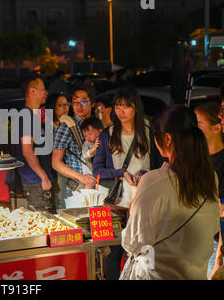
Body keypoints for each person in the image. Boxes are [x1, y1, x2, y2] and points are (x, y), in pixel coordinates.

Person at [122, 105, 220, 279]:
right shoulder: (210, 177)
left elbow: (134, 242)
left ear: (167, 139)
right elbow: (212, 227)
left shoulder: (155, 180)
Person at [92, 87, 163, 280]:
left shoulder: (149, 133)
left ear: (136, 108)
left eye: (126, 106)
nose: (120, 111)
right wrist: (121, 172)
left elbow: (160, 168)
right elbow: (97, 170)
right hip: (113, 202)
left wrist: (145, 175)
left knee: (142, 253)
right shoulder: (107, 134)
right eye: (117, 106)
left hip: (142, 203)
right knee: (112, 253)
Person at [14, 76, 56, 212]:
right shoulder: (26, 116)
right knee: (43, 224)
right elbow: (27, 151)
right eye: (43, 89)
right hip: (35, 182)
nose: (46, 92)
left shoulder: (34, 116)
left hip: (38, 180)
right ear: (32, 91)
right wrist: (43, 177)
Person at [194, 101, 224, 279]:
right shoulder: (195, 157)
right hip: (196, 235)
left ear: (217, 128)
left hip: (215, 239)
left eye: (198, 124)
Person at [52, 85, 97, 199]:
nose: (78, 105)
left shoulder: (98, 124)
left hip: (99, 184)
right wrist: (81, 177)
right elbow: (56, 163)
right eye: (75, 101)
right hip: (77, 188)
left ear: (92, 103)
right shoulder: (66, 126)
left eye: (83, 101)